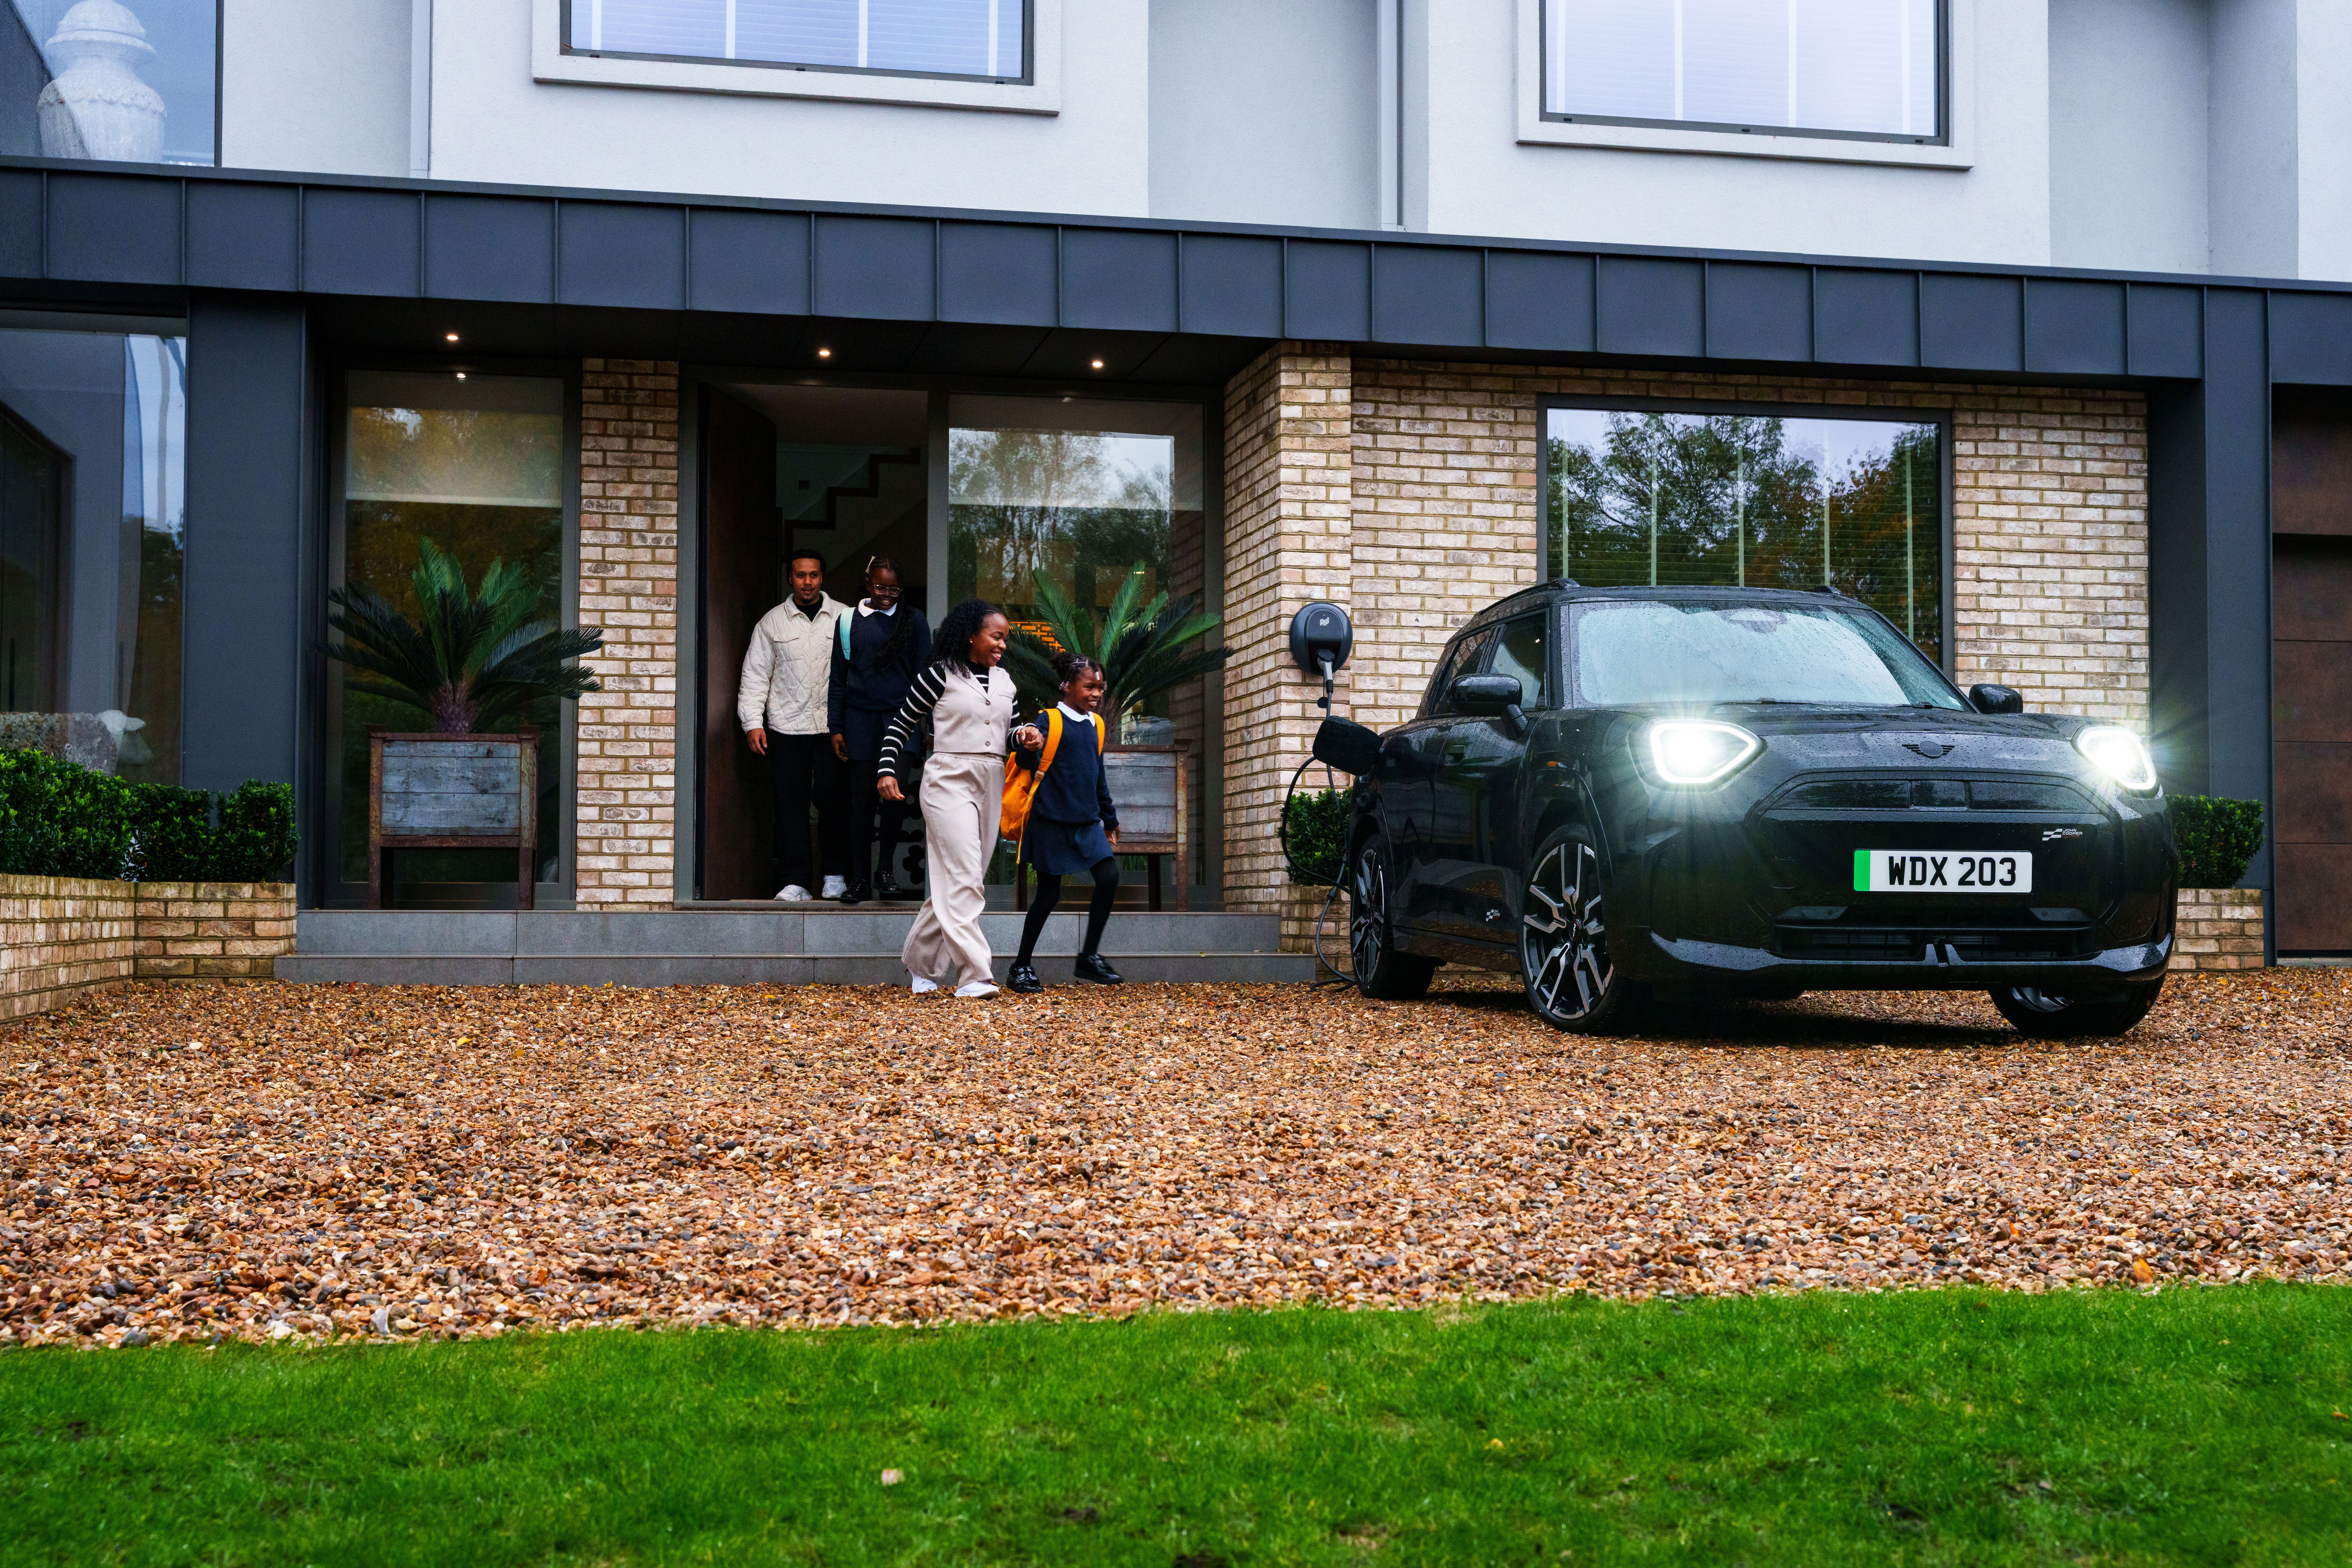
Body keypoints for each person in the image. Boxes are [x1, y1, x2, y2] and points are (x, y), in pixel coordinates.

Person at [877, 600, 1042, 998]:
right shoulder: (939, 675)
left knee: (961, 880)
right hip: (948, 779)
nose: (1002, 645)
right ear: (972, 636)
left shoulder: (1005, 682)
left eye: (1005, 639)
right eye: (996, 637)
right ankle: (975, 975)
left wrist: (1024, 736)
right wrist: (886, 770)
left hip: (991, 779)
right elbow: (901, 724)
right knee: (965, 876)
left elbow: (1008, 734)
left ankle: (919, 964)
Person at [1006, 651, 1125, 994]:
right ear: (1067, 686)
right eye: (1089, 687)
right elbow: (1026, 760)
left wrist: (1110, 818)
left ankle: (1088, 957)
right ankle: (1021, 967)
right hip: (1051, 822)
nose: (1096, 694)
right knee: (1048, 895)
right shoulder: (1050, 720)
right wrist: (1030, 744)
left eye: (1101, 688)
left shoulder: (1097, 725)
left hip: (1087, 824)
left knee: (1109, 877)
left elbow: (1098, 776)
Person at [738, 548, 851, 901]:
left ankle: (835, 876)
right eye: (801, 575)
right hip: (786, 727)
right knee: (790, 805)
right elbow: (756, 675)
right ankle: (796, 881)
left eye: (814, 575)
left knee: (834, 802)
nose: (807, 582)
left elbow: (860, 673)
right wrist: (752, 722)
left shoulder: (845, 618)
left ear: (822, 578)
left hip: (832, 729)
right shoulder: (772, 623)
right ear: (791, 578)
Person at [827, 556, 931, 904]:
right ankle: (859, 879)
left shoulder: (914, 620)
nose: (886, 595)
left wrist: (926, 725)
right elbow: (838, 678)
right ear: (869, 583)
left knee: (894, 799)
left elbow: (925, 678)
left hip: (903, 720)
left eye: (894, 589)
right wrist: (835, 727)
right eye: (880, 588)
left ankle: (885, 872)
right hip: (859, 721)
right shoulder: (848, 621)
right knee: (861, 803)